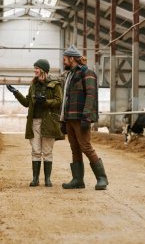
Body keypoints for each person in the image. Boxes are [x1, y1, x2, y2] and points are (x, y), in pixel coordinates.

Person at [6, 59, 64, 187]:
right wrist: (16, 92)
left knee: (47, 150)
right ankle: (35, 179)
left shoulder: (55, 85)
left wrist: (45, 102)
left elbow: (59, 101)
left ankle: (47, 179)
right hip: (35, 121)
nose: (35, 70)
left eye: (37, 68)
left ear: (43, 69)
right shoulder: (33, 86)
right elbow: (27, 103)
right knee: (36, 150)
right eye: (34, 68)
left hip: (49, 121)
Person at [60, 45, 109, 190]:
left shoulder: (87, 73)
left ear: (71, 58)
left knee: (86, 147)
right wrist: (63, 119)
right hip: (69, 117)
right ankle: (77, 180)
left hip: (81, 117)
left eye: (65, 59)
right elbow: (66, 99)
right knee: (75, 149)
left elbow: (91, 96)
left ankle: (102, 179)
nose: (63, 62)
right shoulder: (69, 75)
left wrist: (86, 117)